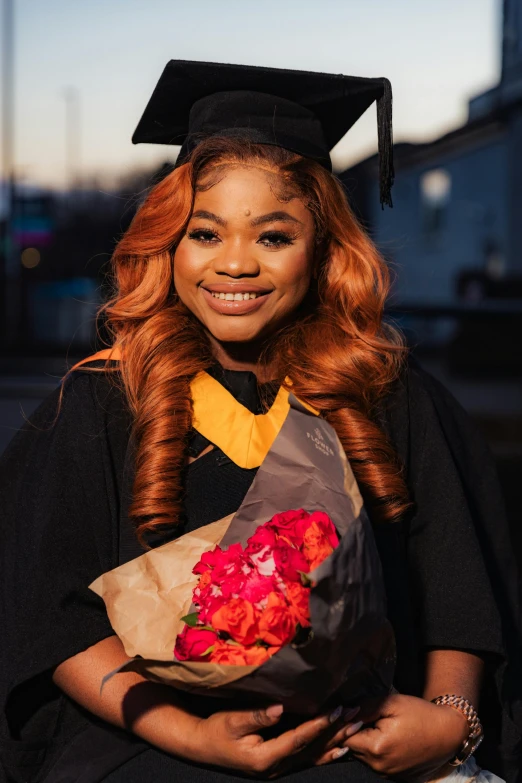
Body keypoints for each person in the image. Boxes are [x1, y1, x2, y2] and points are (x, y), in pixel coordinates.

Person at [0, 61, 520, 783]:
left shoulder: (389, 395)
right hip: (144, 744)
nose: (235, 264)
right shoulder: (102, 401)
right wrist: (192, 734)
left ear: (324, 249)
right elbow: (48, 616)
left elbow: (459, 589)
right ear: (168, 245)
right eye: (205, 233)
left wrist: (450, 720)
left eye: (273, 237)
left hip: (356, 742)